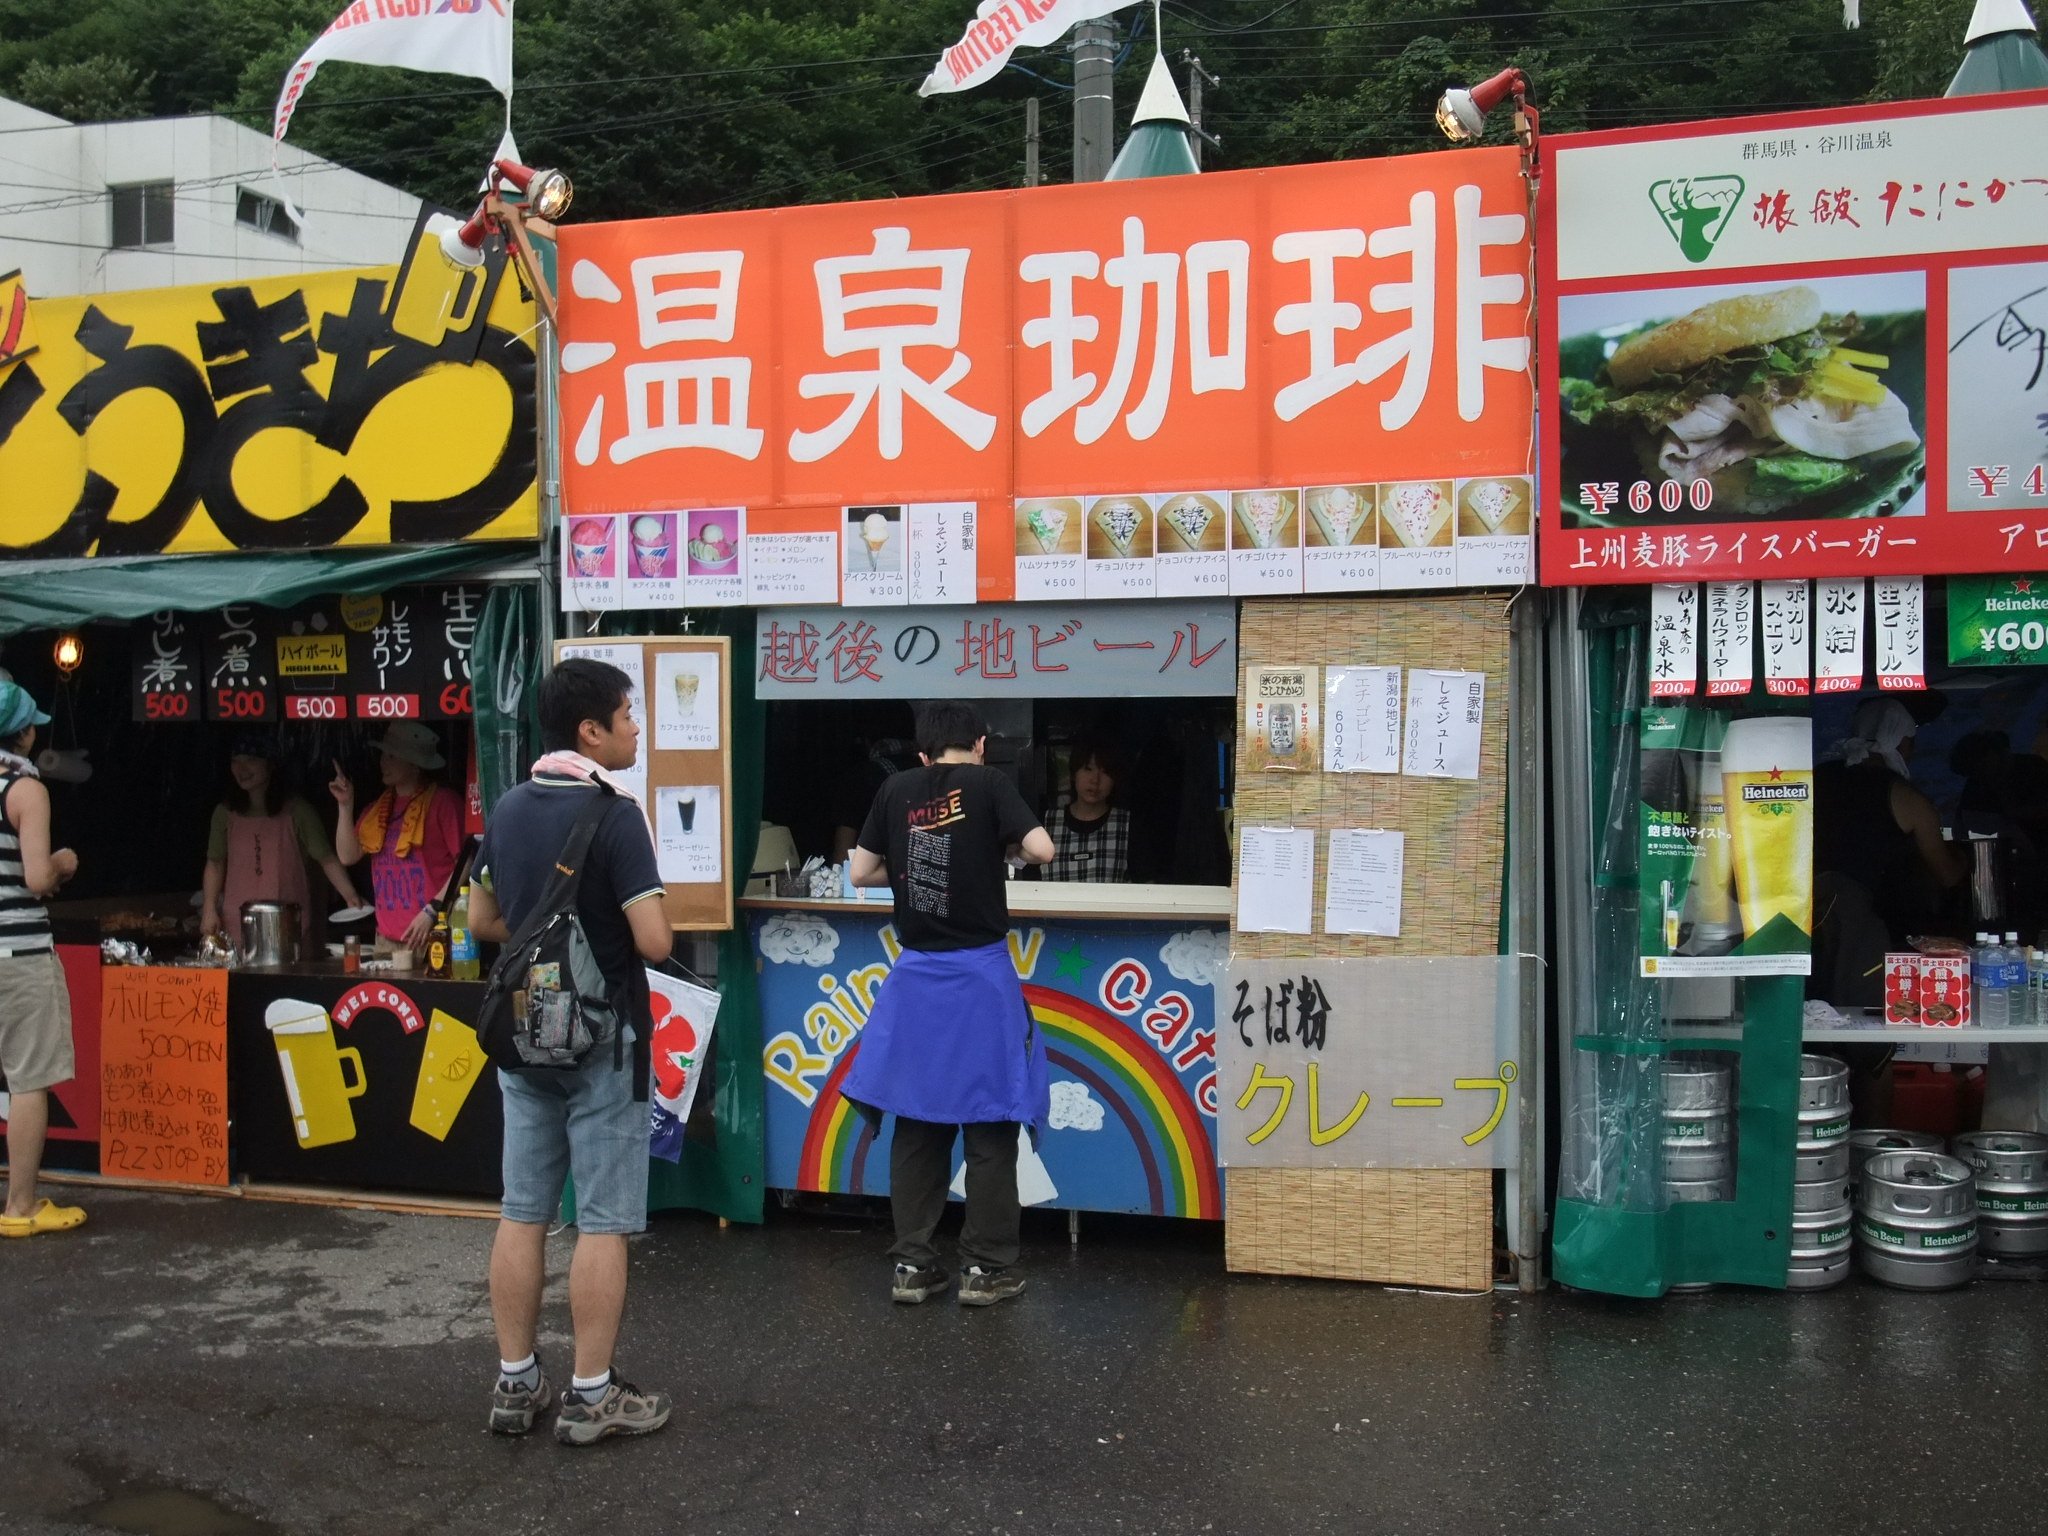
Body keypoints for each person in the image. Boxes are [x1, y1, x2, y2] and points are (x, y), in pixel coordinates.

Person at [466, 659, 674, 1446]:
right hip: (603, 1039)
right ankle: (592, 1394)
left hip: (523, 1035)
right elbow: (654, 942)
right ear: (590, 730)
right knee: (603, 1222)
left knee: (523, 1212)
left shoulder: (511, 809)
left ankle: (517, 1383)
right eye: (627, 715)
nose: (636, 727)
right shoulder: (615, 815)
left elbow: (484, 920)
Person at [846, 700, 1055, 1307]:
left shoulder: (895, 788)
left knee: (917, 1120)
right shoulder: (990, 783)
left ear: (922, 753)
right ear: (981, 745)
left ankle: (912, 1266)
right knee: (990, 1124)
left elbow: (861, 872)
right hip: (981, 980)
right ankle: (986, 1271)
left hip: (916, 979)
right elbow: (1041, 849)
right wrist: (995, 852)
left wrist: (911, 868)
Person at [0, 681, 85, 1238]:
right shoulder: (25, 788)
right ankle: (22, 1206)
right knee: (27, 1078)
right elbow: (35, 879)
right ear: (26, 733)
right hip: (19, 954)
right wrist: (62, 862)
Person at [201, 736, 363, 949]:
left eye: (251, 759)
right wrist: (209, 909)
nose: (241, 768)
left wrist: (350, 896)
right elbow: (215, 863)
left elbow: (326, 858)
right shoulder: (224, 813)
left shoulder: (298, 811)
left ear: (271, 764)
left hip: (288, 924)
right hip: (237, 926)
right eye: (236, 761)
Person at [330, 723, 462, 956]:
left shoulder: (444, 803)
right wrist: (344, 805)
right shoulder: (376, 809)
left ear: (414, 764)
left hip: (433, 935)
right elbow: (347, 856)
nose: (383, 761)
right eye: (383, 754)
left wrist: (432, 910)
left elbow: (467, 862)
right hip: (387, 940)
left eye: (392, 756)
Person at [1042, 739, 1131, 883]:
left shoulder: (1126, 825)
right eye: (1088, 769)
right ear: (1073, 774)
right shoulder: (1047, 823)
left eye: (1105, 772)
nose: (1095, 780)